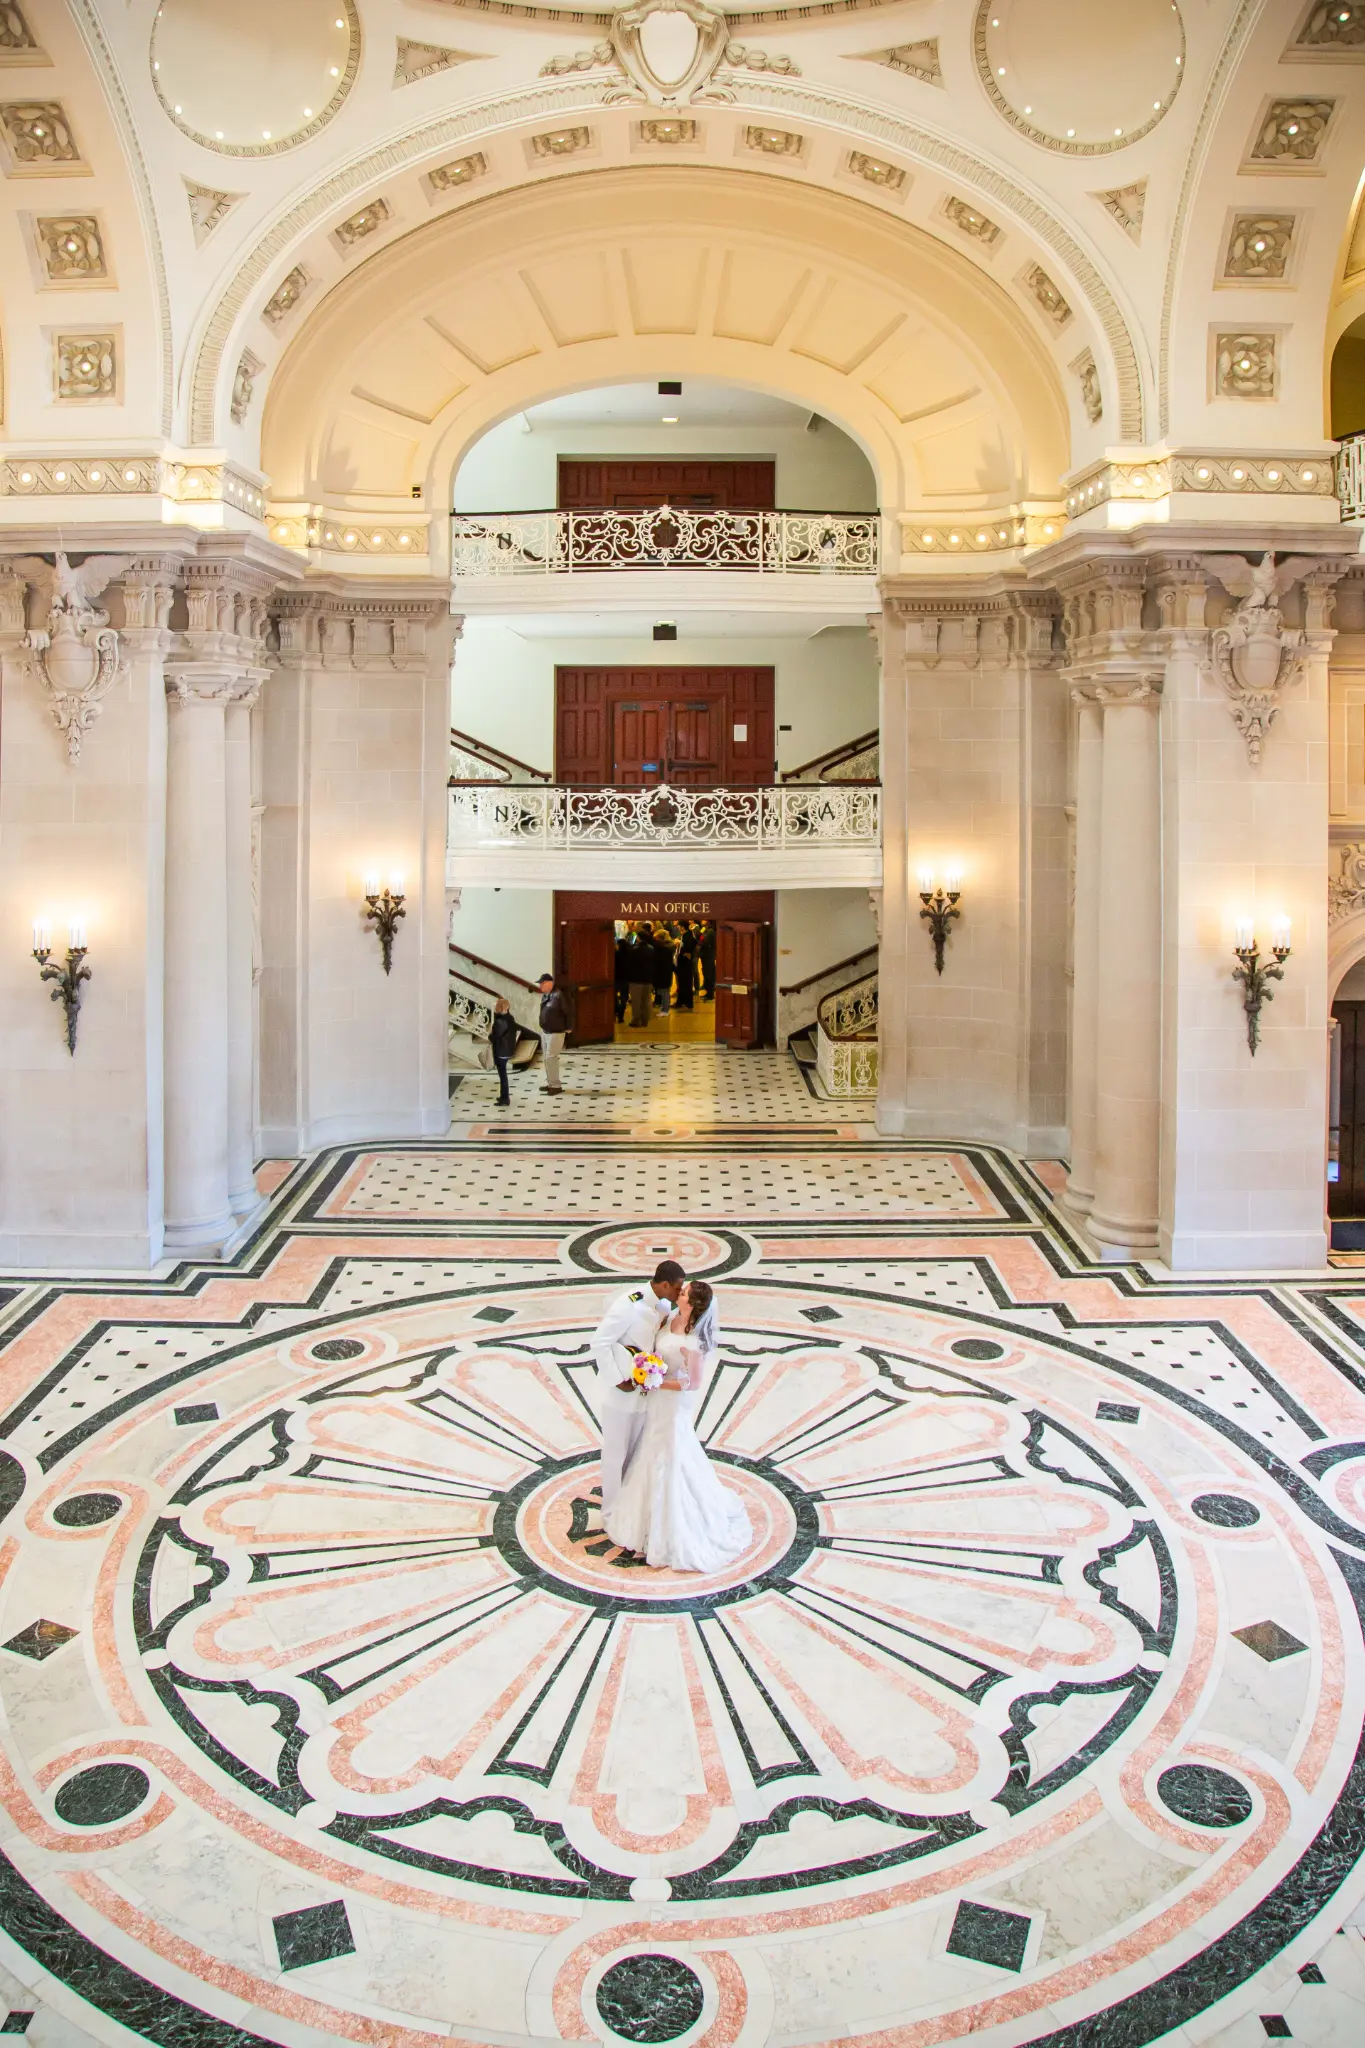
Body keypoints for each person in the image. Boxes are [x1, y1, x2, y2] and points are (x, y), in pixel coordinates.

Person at [604, 1280, 751, 1571]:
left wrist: (657, 1382)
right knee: (650, 1447)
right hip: (658, 1398)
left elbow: (692, 1383)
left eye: (683, 1294)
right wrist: (648, 1368)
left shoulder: (693, 1342)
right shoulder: (670, 1317)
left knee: (670, 1452)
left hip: (672, 1403)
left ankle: (672, 1527)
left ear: (692, 1304)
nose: (678, 1293)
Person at [589, 1259, 685, 1512]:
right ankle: (611, 1511)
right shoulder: (629, 1305)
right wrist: (617, 1380)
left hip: (647, 1395)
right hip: (620, 1396)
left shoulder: (664, 1307)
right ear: (664, 1284)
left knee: (635, 1456)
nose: (680, 1293)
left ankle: (628, 1512)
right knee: (614, 1455)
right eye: (677, 1288)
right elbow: (600, 1342)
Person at [537, 972, 571, 1094]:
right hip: (546, 1031)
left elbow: (568, 1012)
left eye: (542, 983)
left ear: (550, 983)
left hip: (556, 1032)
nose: (540, 986)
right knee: (547, 1058)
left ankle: (556, 1086)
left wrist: (569, 1027)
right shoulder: (547, 995)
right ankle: (550, 1083)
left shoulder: (559, 996)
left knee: (551, 1058)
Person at [490, 997, 518, 1108]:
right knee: (503, 1076)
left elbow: (494, 1037)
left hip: (501, 1051)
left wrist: (490, 1036)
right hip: (507, 1050)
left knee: (503, 1076)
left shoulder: (500, 1021)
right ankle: (503, 1096)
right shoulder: (510, 1018)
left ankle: (505, 1098)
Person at [651, 924, 676, 1016]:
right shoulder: (667, 948)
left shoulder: (663, 949)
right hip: (665, 972)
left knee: (665, 992)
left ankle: (665, 1010)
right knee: (663, 991)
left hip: (664, 973)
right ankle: (663, 1007)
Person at [675, 923, 699, 1011]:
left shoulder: (688, 935)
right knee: (681, 983)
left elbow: (693, 943)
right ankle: (680, 1002)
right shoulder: (684, 935)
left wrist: (686, 950)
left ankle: (687, 1004)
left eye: (679, 926)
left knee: (686, 984)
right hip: (682, 962)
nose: (677, 927)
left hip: (685, 963)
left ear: (682, 926)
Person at [614, 930, 633, 1024]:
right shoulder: (630, 955)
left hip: (616, 978)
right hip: (626, 979)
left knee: (613, 996)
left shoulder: (616, 955)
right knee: (624, 998)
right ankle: (621, 1015)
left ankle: (617, 1010)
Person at [699, 921, 716, 1002]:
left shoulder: (710, 931)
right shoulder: (705, 930)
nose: (702, 920)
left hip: (708, 956)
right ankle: (708, 993)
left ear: (708, 922)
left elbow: (704, 941)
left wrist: (701, 937)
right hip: (705, 956)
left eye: (704, 919)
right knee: (706, 974)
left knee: (709, 975)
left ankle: (710, 995)